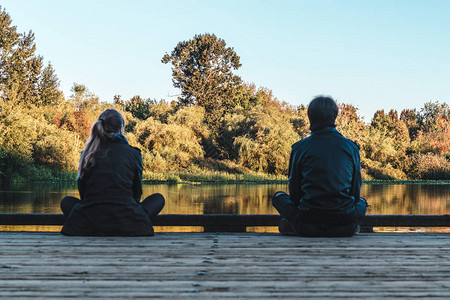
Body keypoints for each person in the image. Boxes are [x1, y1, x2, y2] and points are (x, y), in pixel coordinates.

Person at [272, 96, 367, 237]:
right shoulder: (351, 148)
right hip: (345, 224)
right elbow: (355, 192)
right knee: (362, 202)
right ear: (334, 117)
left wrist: (301, 212)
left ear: (310, 117)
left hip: (307, 223)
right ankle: (350, 227)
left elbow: (295, 192)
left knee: (278, 196)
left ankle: (294, 225)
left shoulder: (299, 148)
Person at [60, 108, 165, 236]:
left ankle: (95, 223)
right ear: (121, 129)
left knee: (67, 202)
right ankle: (128, 222)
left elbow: (84, 194)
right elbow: (136, 192)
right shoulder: (133, 153)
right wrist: (132, 210)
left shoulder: (87, 154)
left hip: (90, 222)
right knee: (158, 199)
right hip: (129, 223)